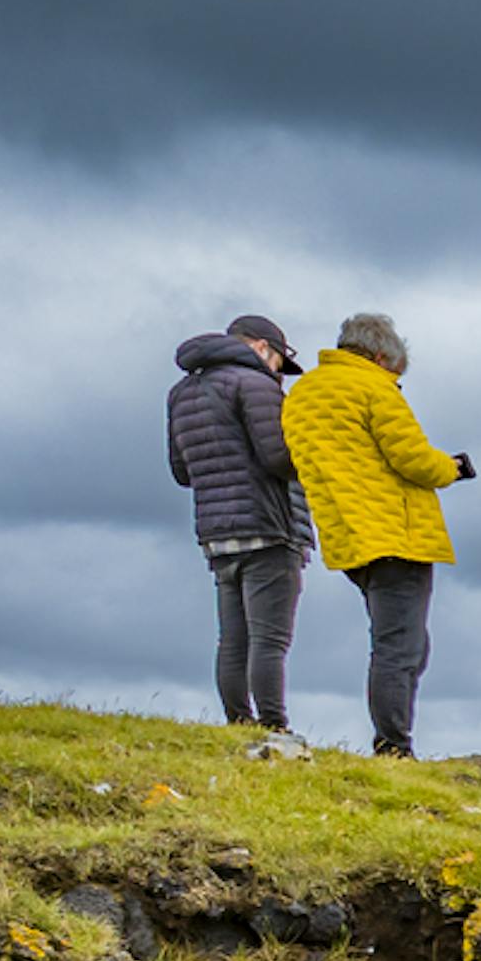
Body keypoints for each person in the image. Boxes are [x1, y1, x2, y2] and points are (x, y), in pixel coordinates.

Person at [280, 312, 472, 760]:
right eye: (396, 371)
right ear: (383, 356)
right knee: (400, 648)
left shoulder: (301, 393)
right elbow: (414, 460)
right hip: (395, 533)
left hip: (347, 536)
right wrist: (454, 468)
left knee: (402, 643)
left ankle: (393, 739)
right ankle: (393, 747)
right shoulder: (373, 389)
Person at [164, 313, 315, 733]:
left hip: (215, 531)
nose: (279, 375)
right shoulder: (255, 384)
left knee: (233, 639)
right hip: (268, 526)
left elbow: (181, 472)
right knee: (270, 639)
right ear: (263, 348)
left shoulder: (182, 392)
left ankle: (238, 723)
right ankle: (274, 727)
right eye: (280, 365)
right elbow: (278, 459)